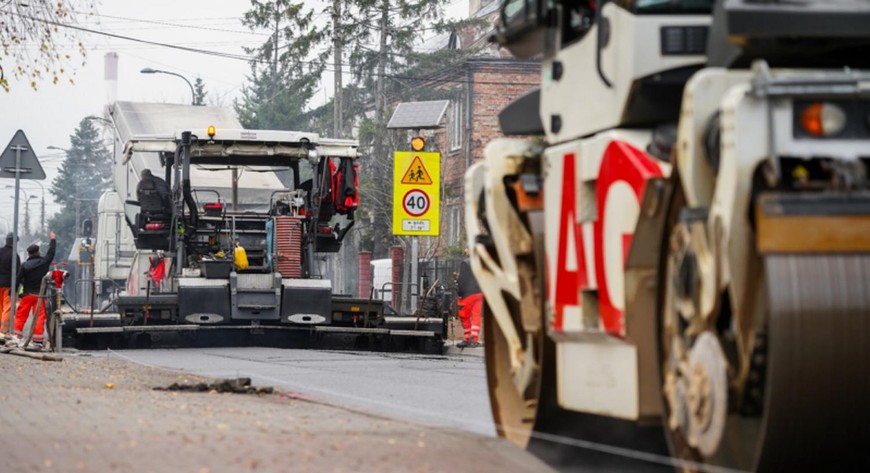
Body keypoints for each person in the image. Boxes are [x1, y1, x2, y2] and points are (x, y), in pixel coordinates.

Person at [12, 231, 56, 349]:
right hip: (40, 296)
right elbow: (51, 252)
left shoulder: (24, 265)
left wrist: (15, 293)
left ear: (29, 254)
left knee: (21, 316)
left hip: (27, 295)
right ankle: (37, 340)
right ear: (38, 252)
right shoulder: (44, 263)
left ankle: (16, 337)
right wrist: (52, 239)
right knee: (39, 317)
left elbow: (17, 279)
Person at [456, 247, 483, 348]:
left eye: (466, 248)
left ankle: (467, 339)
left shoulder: (465, 263)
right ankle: (474, 340)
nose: (465, 250)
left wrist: (460, 293)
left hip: (468, 294)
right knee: (476, 316)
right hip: (479, 293)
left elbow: (462, 280)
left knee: (465, 316)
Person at [0, 233, 21, 340]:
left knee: (0, 307)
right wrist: (16, 289)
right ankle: (3, 331)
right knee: (7, 308)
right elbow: (17, 273)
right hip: (8, 285)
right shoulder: (14, 255)